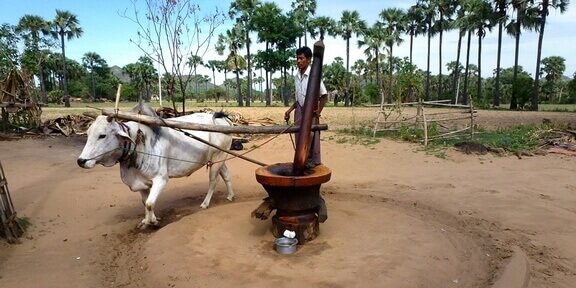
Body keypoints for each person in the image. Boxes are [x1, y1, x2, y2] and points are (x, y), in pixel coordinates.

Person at [284, 46, 328, 167]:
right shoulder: (296, 76)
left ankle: (312, 162)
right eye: (297, 58)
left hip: (311, 111)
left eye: (301, 58)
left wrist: (318, 110)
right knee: (299, 135)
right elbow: (298, 97)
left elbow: (324, 95)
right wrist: (289, 110)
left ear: (308, 60)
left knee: (312, 136)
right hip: (299, 110)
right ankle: (301, 160)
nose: (298, 61)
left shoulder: (314, 76)